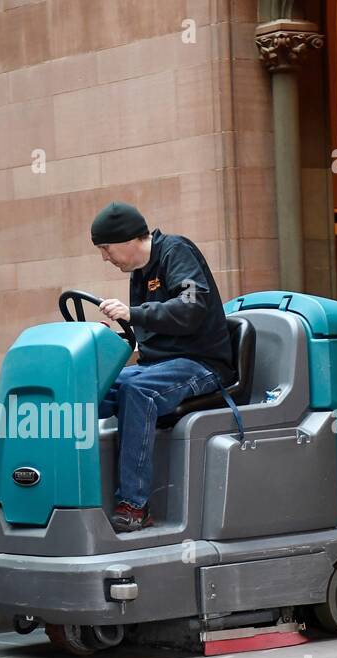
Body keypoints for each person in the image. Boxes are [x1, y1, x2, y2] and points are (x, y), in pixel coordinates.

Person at [91, 201, 235, 533]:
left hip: (202, 363)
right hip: (159, 364)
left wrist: (133, 313)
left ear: (127, 239)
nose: (105, 257)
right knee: (91, 388)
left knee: (138, 390)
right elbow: (149, 330)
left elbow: (191, 307)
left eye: (105, 248)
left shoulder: (176, 251)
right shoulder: (140, 272)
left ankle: (134, 506)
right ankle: (72, 495)